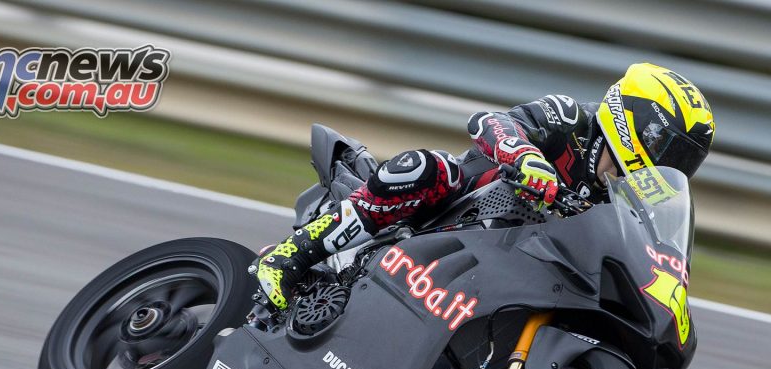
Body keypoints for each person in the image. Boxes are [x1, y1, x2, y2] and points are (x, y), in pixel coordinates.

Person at [255, 62, 715, 311]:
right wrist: (524, 155)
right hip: (455, 210)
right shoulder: (573, 116)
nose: (670, 164)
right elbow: (490, 121)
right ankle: (289, 256)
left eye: (683, 160)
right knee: (427, 169)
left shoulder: (634, 198)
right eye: (668, 148)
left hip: (510, 268)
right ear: (634, 122)